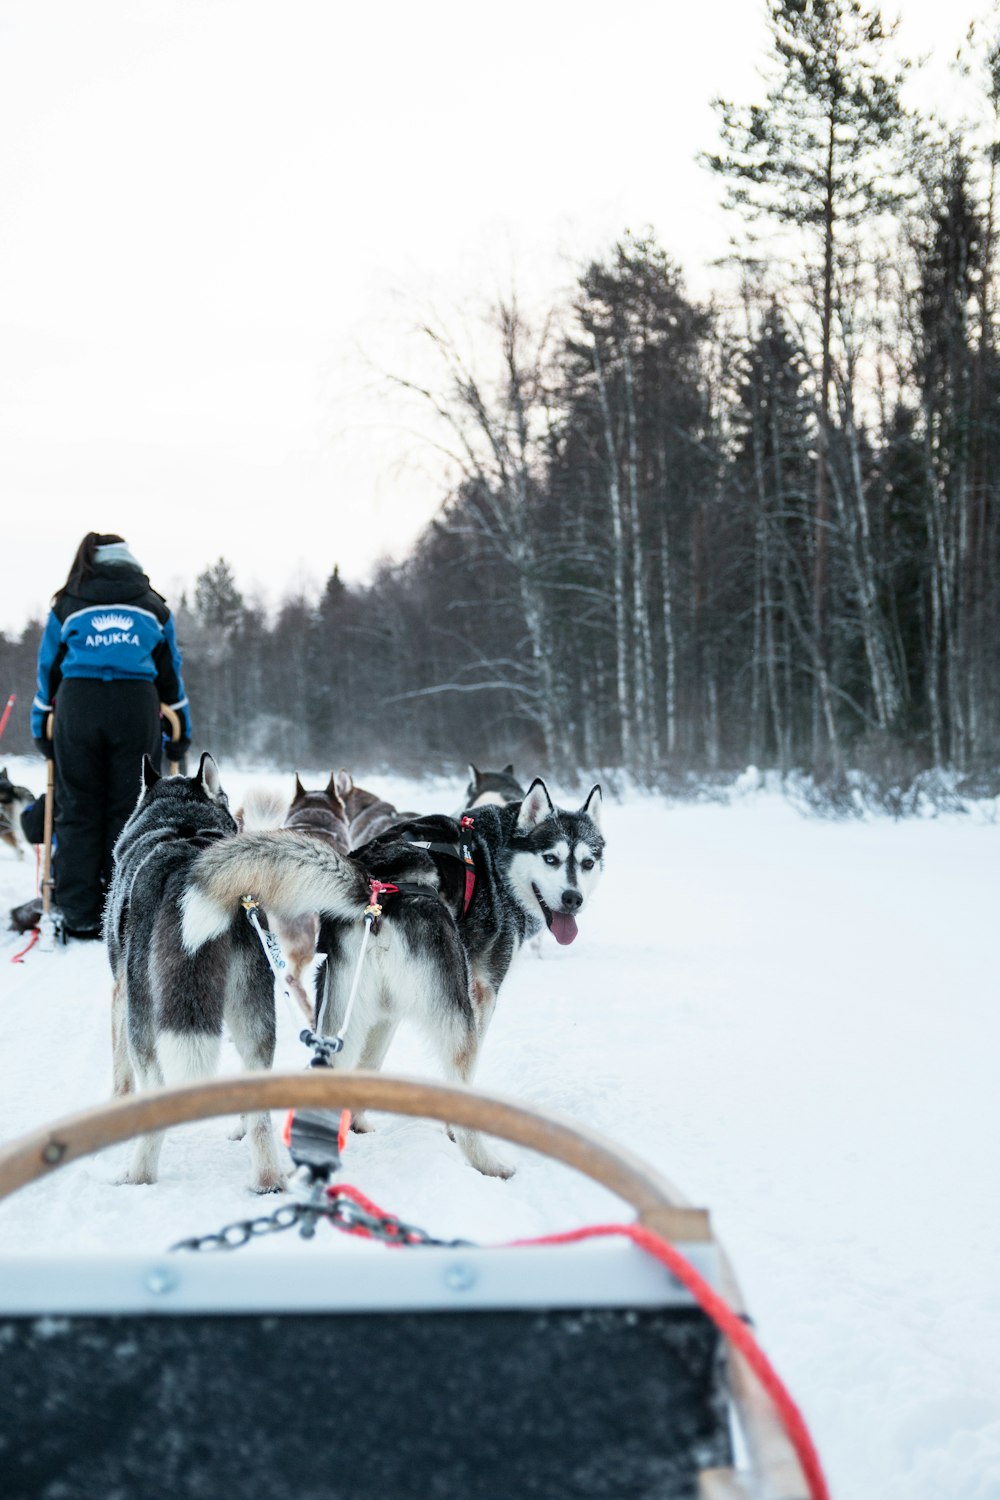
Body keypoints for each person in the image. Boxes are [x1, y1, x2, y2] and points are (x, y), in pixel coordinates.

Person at [30, 532, 192, 939]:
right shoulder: (152, 605)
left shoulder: (68, 602)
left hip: (77, 704)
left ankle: (80, 913)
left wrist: (41, 728)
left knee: (77, 807)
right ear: (128, 560)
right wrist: (181, 733)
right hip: (136, 705)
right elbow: (171, 673)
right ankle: (122, 911)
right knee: (128, 809)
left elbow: (48, 669)